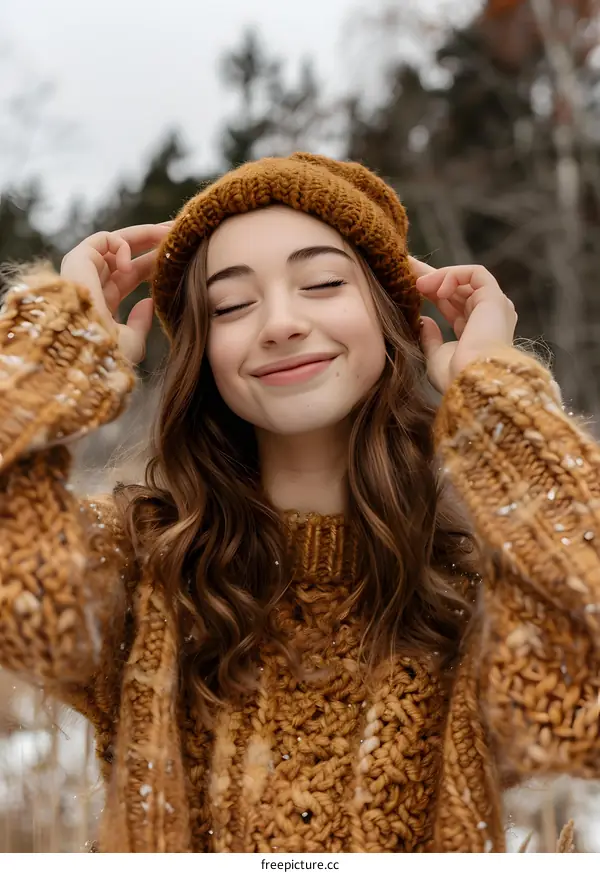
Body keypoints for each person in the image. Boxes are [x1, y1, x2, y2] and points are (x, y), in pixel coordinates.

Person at [0, 153, 599, 854]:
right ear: (203, 348)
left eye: (320, 282)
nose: (280, 322)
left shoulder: (475, 590)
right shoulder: (138, 571)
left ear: (386, 316)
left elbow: (579, 699)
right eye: (231, 304)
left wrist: (497, 399)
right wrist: (57, 346)